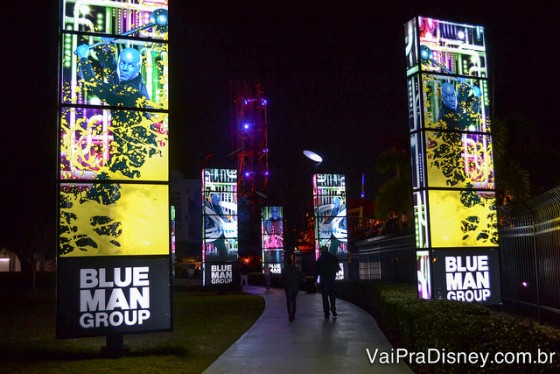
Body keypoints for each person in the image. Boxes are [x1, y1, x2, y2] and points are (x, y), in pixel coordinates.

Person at [315, 245, 341, 319]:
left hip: (324, 281)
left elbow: (317, 271)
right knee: (332, 296)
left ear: (322, 251)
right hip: (332, 280)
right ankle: (333, 310)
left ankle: (327, 312)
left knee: (325, 297)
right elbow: (337, 268)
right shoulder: (333, 258)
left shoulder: (320, 259)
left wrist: (316, 281)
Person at [281, 256, 305, 321]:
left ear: (286, 262)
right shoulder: (296, 269)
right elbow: (302, 276)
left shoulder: (285, 269)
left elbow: (282, 277)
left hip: (288, 287)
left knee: (288, 301)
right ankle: (293, 314)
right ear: (292, 262)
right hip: (295, 287)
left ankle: (290, 314)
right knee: (294, 301)